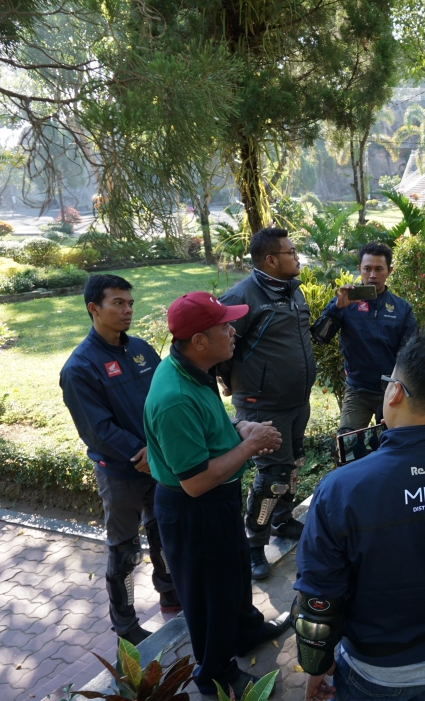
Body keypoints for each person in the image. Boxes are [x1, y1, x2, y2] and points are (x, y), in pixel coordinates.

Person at [292, 332, 425, 701]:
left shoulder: (342, 489)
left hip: (377, 672)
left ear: (395, 392)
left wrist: (316, 666)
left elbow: (319, 599)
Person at [143, 292, 290, 697]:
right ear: (199, 341)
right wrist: (250, 445)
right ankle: (214, 674)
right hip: (195, 509)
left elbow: (207, 431)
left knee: (233, 577)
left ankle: (245, 632)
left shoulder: (194, 369)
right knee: (210, 595)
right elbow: (195, 481)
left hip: (216, 502)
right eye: (225, 327)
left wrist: (239, 429)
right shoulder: (174, 397)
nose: (233, 332)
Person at [60, 274, 178, 646]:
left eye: (130, 303)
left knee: (163, 532)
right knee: (125, 551)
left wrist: (158, 450)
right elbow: (97, 430)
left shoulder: (141, 349)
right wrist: (139, 453)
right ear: (93, 308)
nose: (128, 310)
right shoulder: (79, 367)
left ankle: (171, 593)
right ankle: (126, 626)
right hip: (121, 474)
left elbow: (165, 395)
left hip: (159, 465)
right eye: (118, 303)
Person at [216, 227, 317, 581]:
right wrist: (232, 383)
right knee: (272, 477)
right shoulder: (241, 297)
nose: (297, 257)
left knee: (291, 466)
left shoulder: (292, 289)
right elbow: (219, 349)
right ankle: (255, 544)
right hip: (263, 406)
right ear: (271, 260)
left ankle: (283, 520)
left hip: (297, 402)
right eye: (291, 252)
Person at [313, 242, 417, 432]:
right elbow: (319, 338)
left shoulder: (401, 309)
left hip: (392, 392)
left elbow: (408, 353)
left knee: (394, 443)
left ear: (389, 270)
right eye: (367, 269)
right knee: (347, 443)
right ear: (359, 268)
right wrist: (337, 308)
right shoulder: (345, 302)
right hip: (358, 391)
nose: (372, 275)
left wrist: (396, 387)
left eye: (379, 269)